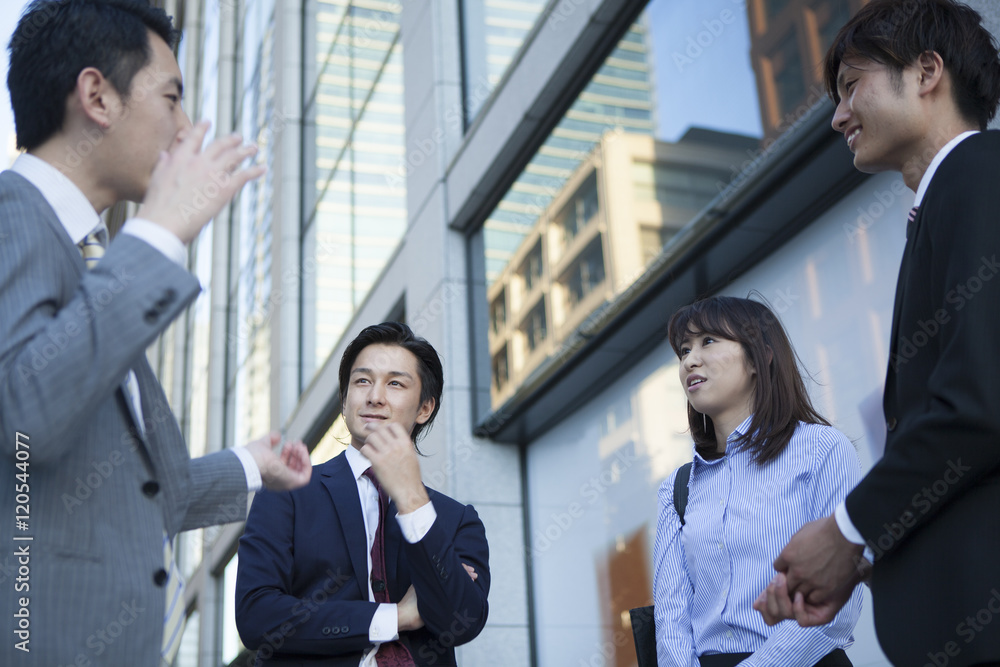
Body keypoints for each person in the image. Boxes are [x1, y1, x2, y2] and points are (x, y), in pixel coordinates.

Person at [0, 2, 312, 665]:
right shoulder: (13, 216)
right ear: (96, 96)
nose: (184, 128)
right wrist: (160, 233)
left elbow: (141, 491)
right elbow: (26, 419)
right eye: (171, 98)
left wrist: (251, 464)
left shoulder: (93, 262)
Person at [754, 1, 1000, 665]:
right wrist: (858, 557)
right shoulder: (948, 198)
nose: (837, 115)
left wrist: (846, 530)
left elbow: (979, 402)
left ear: (926, 72)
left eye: (851, 86)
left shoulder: (979, 173)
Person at [235, 322, 490, 666]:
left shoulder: (456, 520)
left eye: (395, 383)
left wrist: (412, 500)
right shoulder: (289, 492)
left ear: (424, 408)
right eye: (362, 381)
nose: (374, 396)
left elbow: (463, 621)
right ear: (344, 401)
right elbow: (257, 617)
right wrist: (396, 617)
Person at [653, 296, 862, 666]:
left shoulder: (821, 450)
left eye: (709, 342)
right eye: (684, 349)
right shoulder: (678, 488)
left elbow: (839, 599)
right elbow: (671, 618)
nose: (689, 360)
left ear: (760, 356)